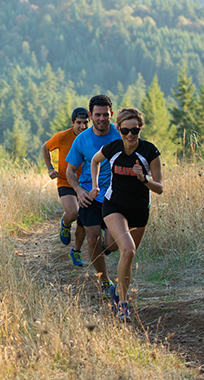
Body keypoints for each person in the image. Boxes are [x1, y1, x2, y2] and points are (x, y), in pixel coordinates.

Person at [90, 107, 164, 323]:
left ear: (140, 129)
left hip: (139, 210)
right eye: (125, 131)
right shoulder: (112, 148)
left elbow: (159, 188)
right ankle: (123, 305)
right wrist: (95, 186)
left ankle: (117, 290)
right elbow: (94, 161)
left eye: (135, 130)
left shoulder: (150, 151)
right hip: (114, 205)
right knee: (128, 250)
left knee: (128, 256)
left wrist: (144, 179)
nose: (130, 135)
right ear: (118, 129)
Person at [65, 94, 121, 297]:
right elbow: (70, 171)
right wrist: (79, 191)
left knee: (113, 244)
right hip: (90, 195)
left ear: (111, 114)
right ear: (90, 115)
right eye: (97, 115)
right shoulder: (82, 140)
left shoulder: (120, 134)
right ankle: (105, 282)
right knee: (92, 238)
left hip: (115, 195)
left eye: (105, 115)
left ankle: (105, 247)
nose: (102, 119)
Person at [41, 107, 89, 265]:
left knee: (83, 218)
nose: (82, 126)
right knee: (74, 213)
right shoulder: (62, 137)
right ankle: (66, 223)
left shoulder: (92, 136)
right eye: (79, 123)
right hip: (65, 181)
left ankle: (76, 251)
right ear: (72, 122)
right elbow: (45, 147)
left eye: (85, 123)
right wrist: (50, 168)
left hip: (86, 183)